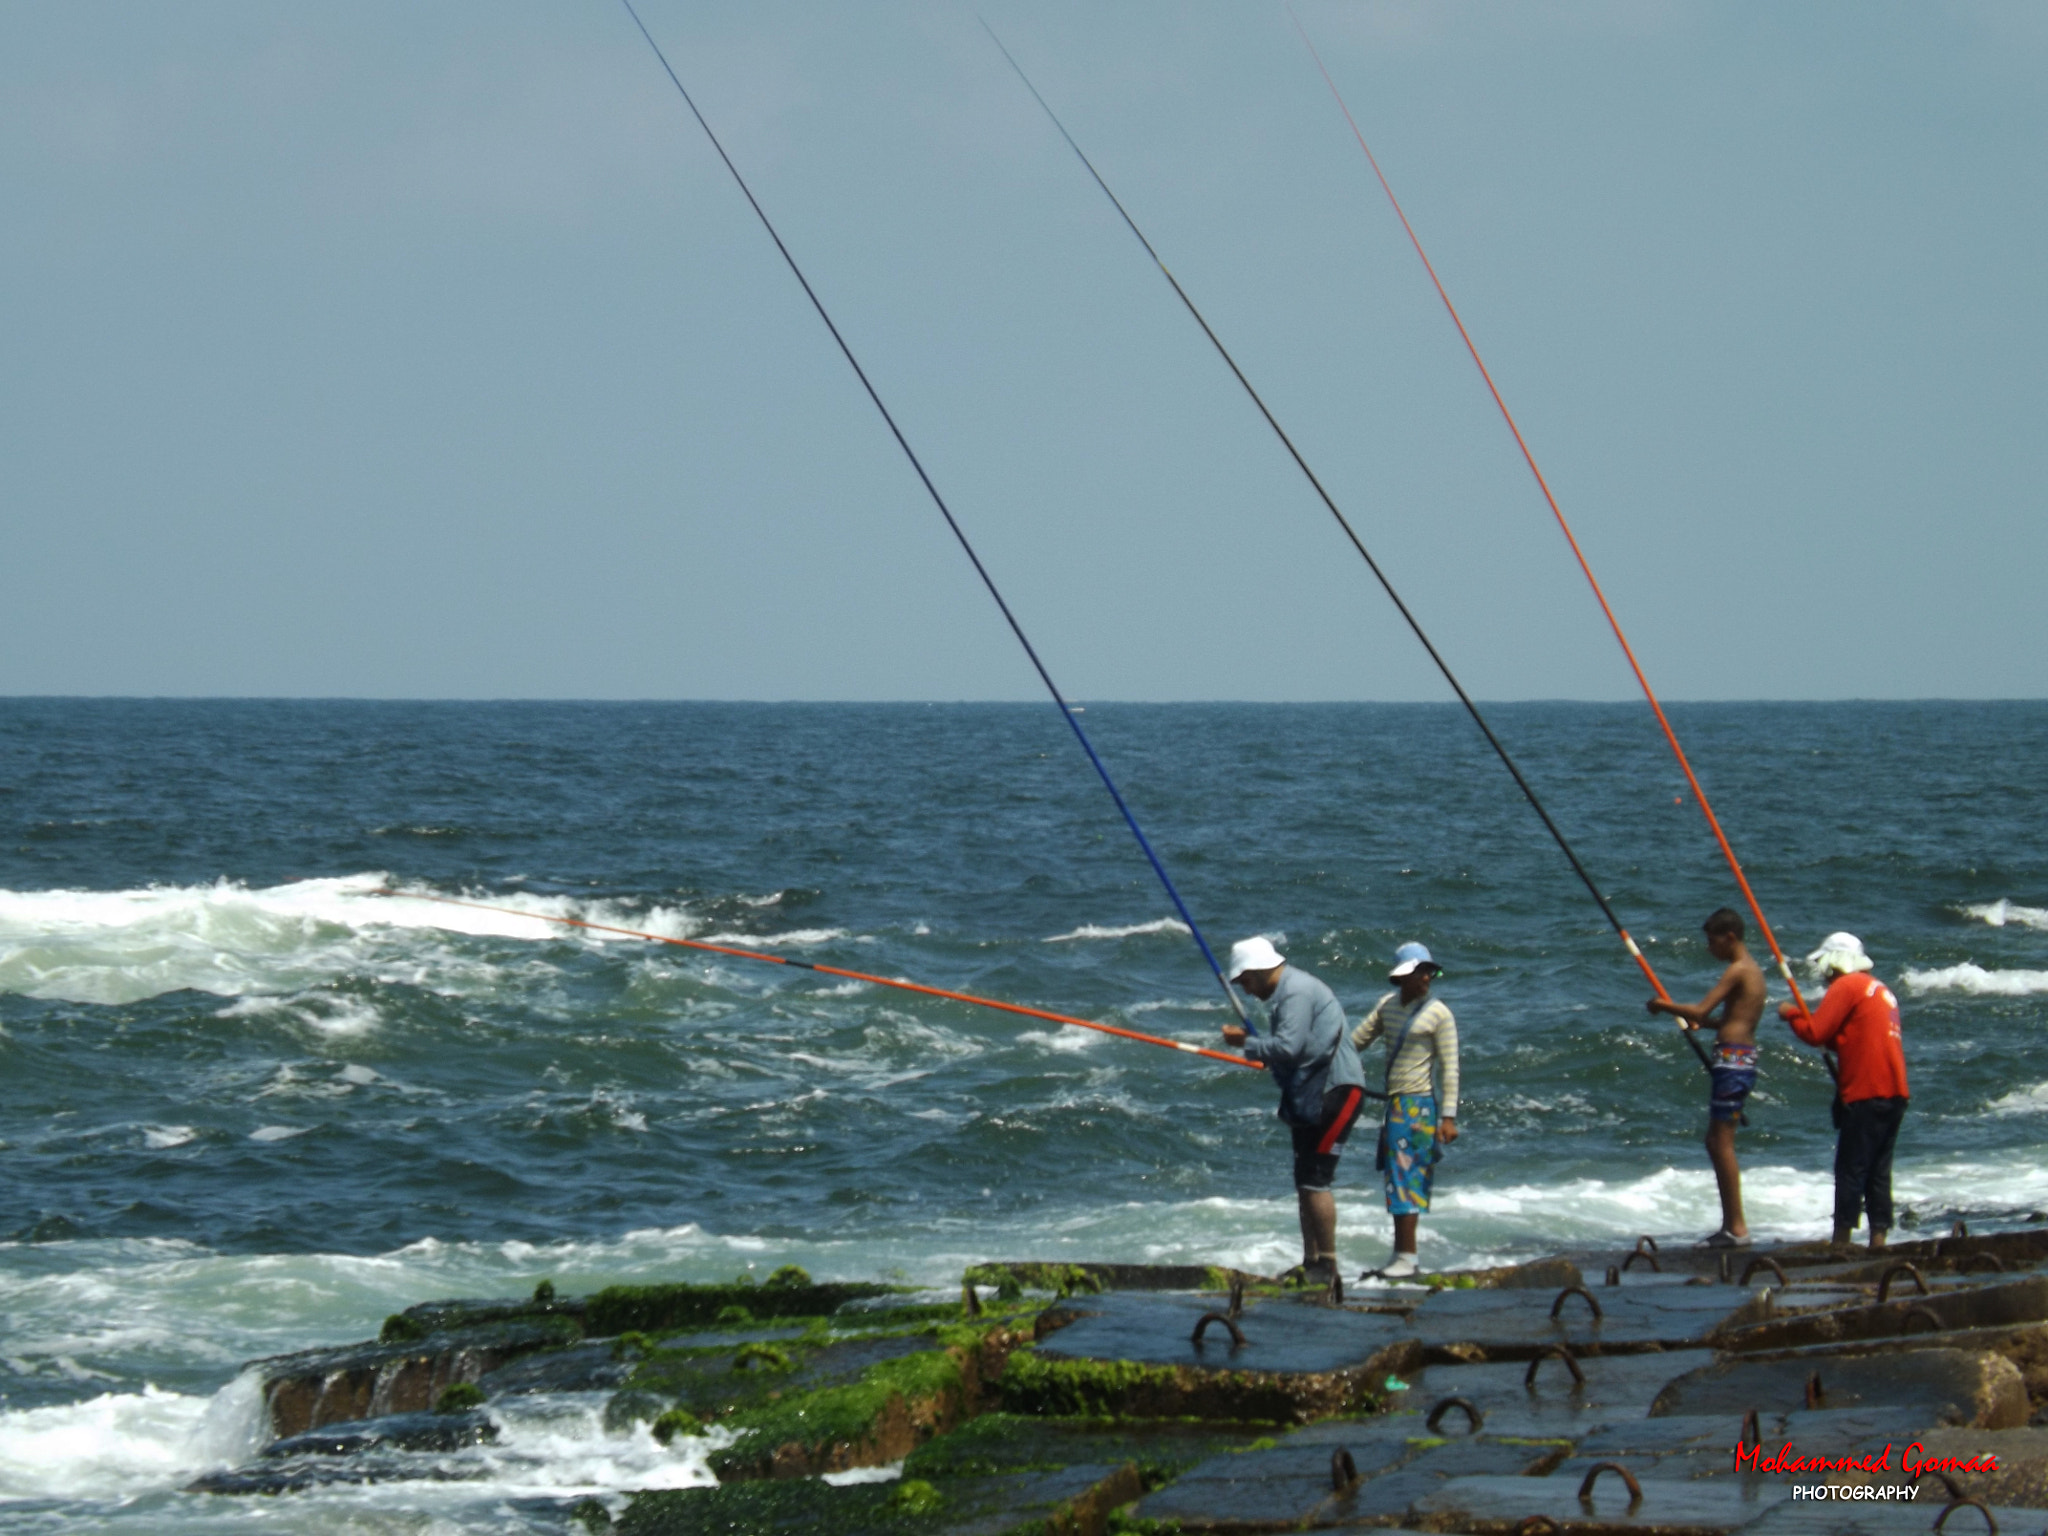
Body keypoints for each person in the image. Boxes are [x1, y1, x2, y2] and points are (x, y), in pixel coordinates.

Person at [1221, 936, 1367, 1287]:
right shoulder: (1289, 993)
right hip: (1314, 1093)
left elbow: (1289, 1047)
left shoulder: (1296, 991)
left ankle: (1328, 1266)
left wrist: (1247, 1044)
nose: (1247, 991)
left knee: (1316, 1179)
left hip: (1336, 1092)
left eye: (1245, 983)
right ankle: (1311, 1261)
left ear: (1256, 972)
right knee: (1304, 1179)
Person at [1779, 932, 1908, 1253]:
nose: (1824, 976)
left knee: (1850, 1168)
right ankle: (1878, 1239)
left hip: (1867, 1090)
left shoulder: (1847, 986)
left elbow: (1815, 1032)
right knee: (1878, 1170)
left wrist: (1791, 1014)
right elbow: (1851, 1039)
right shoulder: (1880, 989)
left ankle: (1842, 1240)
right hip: (1894, 1092)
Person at [1646, 907, 1765, 1249]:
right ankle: (1730, 1225)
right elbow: (1728, 1020)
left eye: (1712, 942)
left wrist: (1662, 1005)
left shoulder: (1738, 970)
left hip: (1733, 1060)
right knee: (1715, 1142)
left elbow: (1701, 1011)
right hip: (1739, 1057)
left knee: (1720, 1143)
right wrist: (1705, 1025)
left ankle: (1737, 1227)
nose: (1709, 949)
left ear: (1730, 938)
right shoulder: (1753, 971)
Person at [1349, 943, 1460, 1280]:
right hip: (1395, 1105)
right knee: (1396, 1178)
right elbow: (1356, 1041)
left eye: (1429, 971)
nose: (1427, 977)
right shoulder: (1387, 1006)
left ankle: (1407, 1257)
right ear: (1403, 976)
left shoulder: (1439, 1013)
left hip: (1418, 1106)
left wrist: (1448, 1117)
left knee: (1407, 1179)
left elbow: (1450, 1068)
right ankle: (1402, 1254)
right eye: (1420, 971)